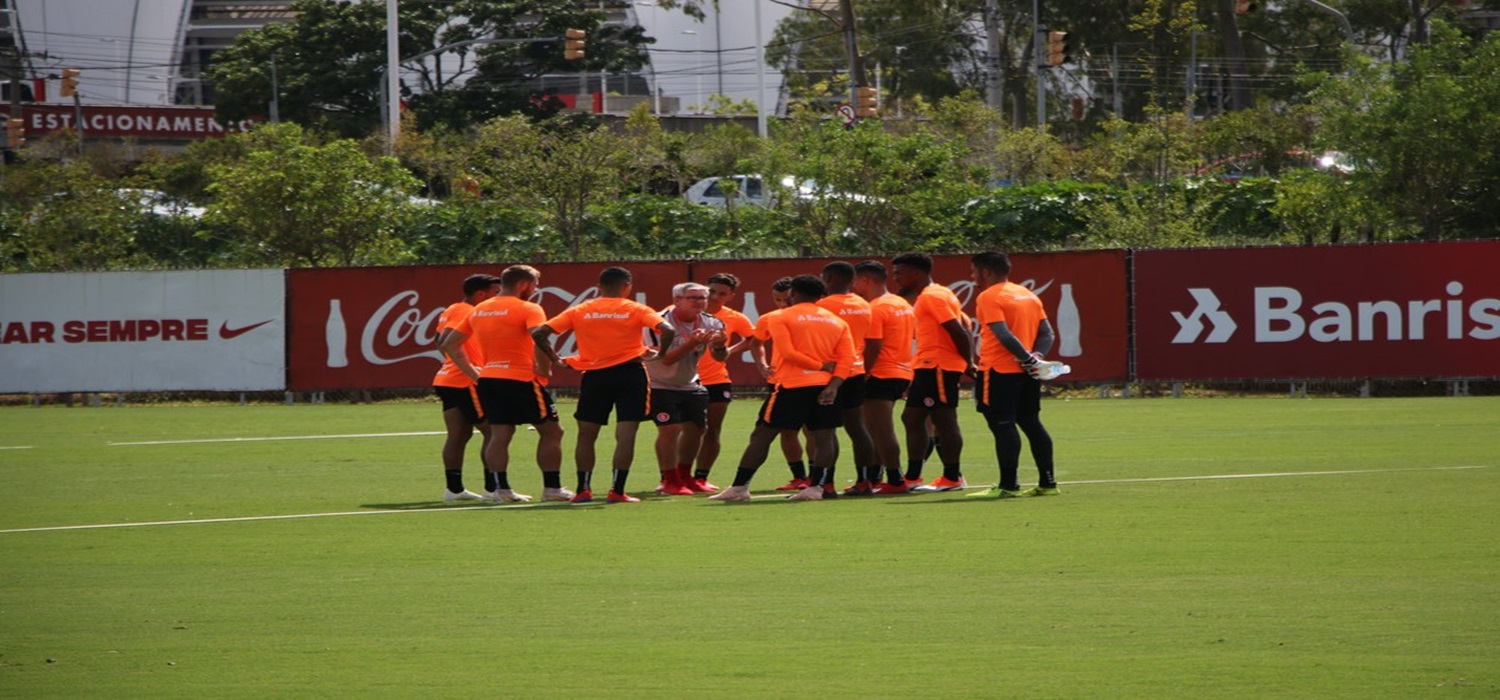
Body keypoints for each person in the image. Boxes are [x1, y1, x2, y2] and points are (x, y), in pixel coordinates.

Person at [533, 266, 673, 504]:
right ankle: (617, 491)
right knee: (626, 435)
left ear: (600, 286)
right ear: (627, 286)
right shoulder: (635, 308)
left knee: (586, 436)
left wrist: (556, 359)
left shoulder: (581, 309)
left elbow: (540, 333)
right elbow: (667, 329)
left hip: (595, 376)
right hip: (630, 374)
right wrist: (661, 354)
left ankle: (583, 490)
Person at [710, 275, 855, 502]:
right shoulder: (837, 322)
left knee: (762, 435)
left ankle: (739, 487)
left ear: (792, 294)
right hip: (826, 386)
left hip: (791, 385)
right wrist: (834, 385)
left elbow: (788, 353)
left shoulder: (780, 317)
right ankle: (816, 488)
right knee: (824, 436)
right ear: (820, 296)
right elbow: (848, 358)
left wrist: (816, 365)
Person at [439, 265, 572, 503]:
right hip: (522, 378)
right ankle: (552, 488)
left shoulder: (479, 309)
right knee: (552, 431)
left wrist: (474, 373)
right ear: (523, 285)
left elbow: (449, 344)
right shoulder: (529, 308)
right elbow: (539, 338)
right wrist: (544, 367)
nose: (535, 289)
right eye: (534, 285)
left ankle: (501, 490)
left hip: (489, 379)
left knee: (500, 433)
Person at [966, 252, 1060, 499]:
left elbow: (1003, 334)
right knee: (1031, 423)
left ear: (985, 272)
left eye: (974, 271)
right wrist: (1036, 357)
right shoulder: (1028, 295)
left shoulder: (988, 296)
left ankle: (1008, 485)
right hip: (1028, 373)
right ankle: (1048, 482)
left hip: (999, 370)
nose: (972, 276)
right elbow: (1047, 333)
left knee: (1003, 425)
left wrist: (1028, 358)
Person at [891, 252, 974, 492]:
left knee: (943, 419)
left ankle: (952, 477)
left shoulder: (932, 297)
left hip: (938, 365)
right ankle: (913, 476)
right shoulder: (939, 293)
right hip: (927, 365)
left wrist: (968, 363)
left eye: (899, 273)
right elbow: (965, 326)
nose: (895, 278)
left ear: (916, 273)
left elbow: (958, 330)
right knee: (912, 417)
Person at [648, 282, 728, 496]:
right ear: (676, 300)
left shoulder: (712, 322)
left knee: (697, 429)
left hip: (690, 382)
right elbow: (664, 360)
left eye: (703, 297)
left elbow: (720, 357)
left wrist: (720, 345)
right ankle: (669, 479)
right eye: (692, 298)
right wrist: (691, 343)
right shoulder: (658, 322)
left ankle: (686, 476)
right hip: (658, 382)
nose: (700, 302)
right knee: (669, 429)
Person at [431, 273, 501, 502]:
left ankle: (454, 489)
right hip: (465, 381)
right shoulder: (467, 311)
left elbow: (439, 340)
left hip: (447, 379)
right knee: (493, 431)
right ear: (481, 294)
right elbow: (446, 341)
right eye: (495, 293)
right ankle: (492, 490)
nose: (498, 298)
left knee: (459, 434)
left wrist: (453, 363)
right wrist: (473, 372)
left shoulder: (452, 308)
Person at [852, 260, 917, 494]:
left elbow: (873, 346)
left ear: (866, 280)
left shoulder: (876, 307)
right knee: (876, 429)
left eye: (855, 281)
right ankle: (875, 478)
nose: (853, 287)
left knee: (880, 430)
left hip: (880, 372)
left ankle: (895, 480)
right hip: (901, 371)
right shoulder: (902, 304)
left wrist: (863, 374)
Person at [817, 261, 878, 496]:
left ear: (828, 277)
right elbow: (871, 341)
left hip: (831, 373)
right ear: (852, 280)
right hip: (857, 370)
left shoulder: (823, 306)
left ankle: (827, 483)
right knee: (858, 428)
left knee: (826, 429)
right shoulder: (864, 305)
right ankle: (864, 481)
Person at [692, 273, 757, 492]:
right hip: (686, 380)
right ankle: (674, 477)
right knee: (686, 430)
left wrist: (731, 350)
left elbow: (753, 338)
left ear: (730, 296)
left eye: (722, 293)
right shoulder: (686, 312)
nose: (715, 296)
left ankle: (701, 477)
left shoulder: (734, 317)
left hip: (717, 379)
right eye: (711, 291)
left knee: (713, 429)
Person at [756, 276, 814, 492]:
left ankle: (815, 476)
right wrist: (761, 364)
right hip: (781, 381)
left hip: (811, 379)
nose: (782, 304)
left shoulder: (811, 317)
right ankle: (799, 476)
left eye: (786, 299)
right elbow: (756, 343)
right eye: (777, 299)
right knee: (787, 431)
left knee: (812, 431)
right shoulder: (769, 318)